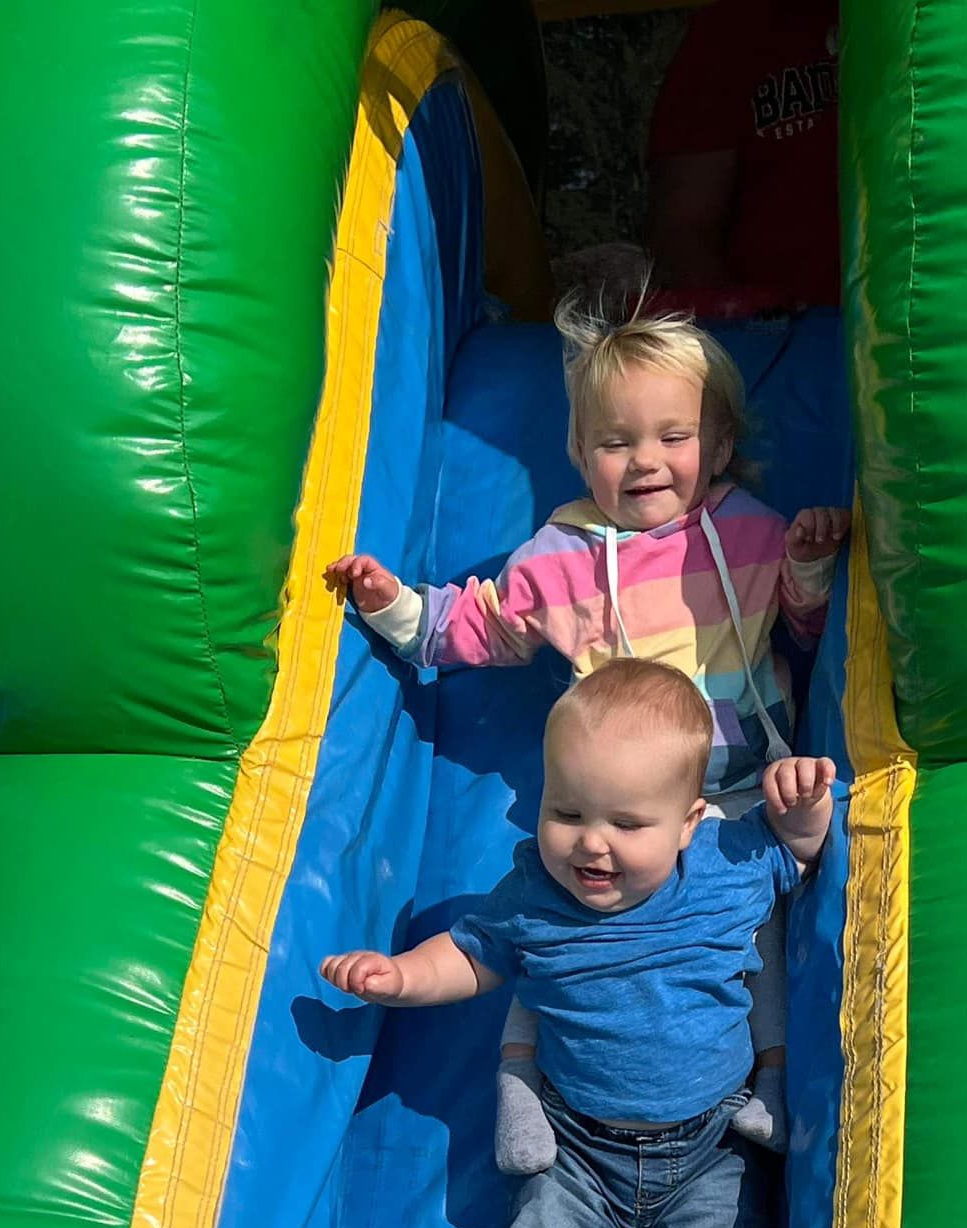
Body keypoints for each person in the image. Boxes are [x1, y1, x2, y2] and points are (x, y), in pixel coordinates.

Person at [326, 288, 849, 1168]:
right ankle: (522, 1080)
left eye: (672, 437)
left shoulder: (752, 533)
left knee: (749, 937)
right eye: (616, 442)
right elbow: (482, 629)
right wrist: (396, 608)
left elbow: (800, 635)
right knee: (564, 920)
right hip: (613, 803)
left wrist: (808, 563)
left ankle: (764, 1077)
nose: (645, 461)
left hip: (728, 796)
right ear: (580, 452)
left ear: (717, 446)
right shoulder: (560, 559)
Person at [320, 660, 836, 1228]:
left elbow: (806, 859)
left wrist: (803, 813)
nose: (592, 844)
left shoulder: (727, 869)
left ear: (690, 823)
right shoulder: (533, 900)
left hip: (710, 1146)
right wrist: (402, 977)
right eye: (568, 813)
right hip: (580, 1152)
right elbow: (474, 953)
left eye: (627, 823)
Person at [647, 0, 840, 312]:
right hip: (783, 339)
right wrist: (747, 336)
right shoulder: (730, 33)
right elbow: (682, 232)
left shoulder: (934, 24)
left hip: (928, 324)